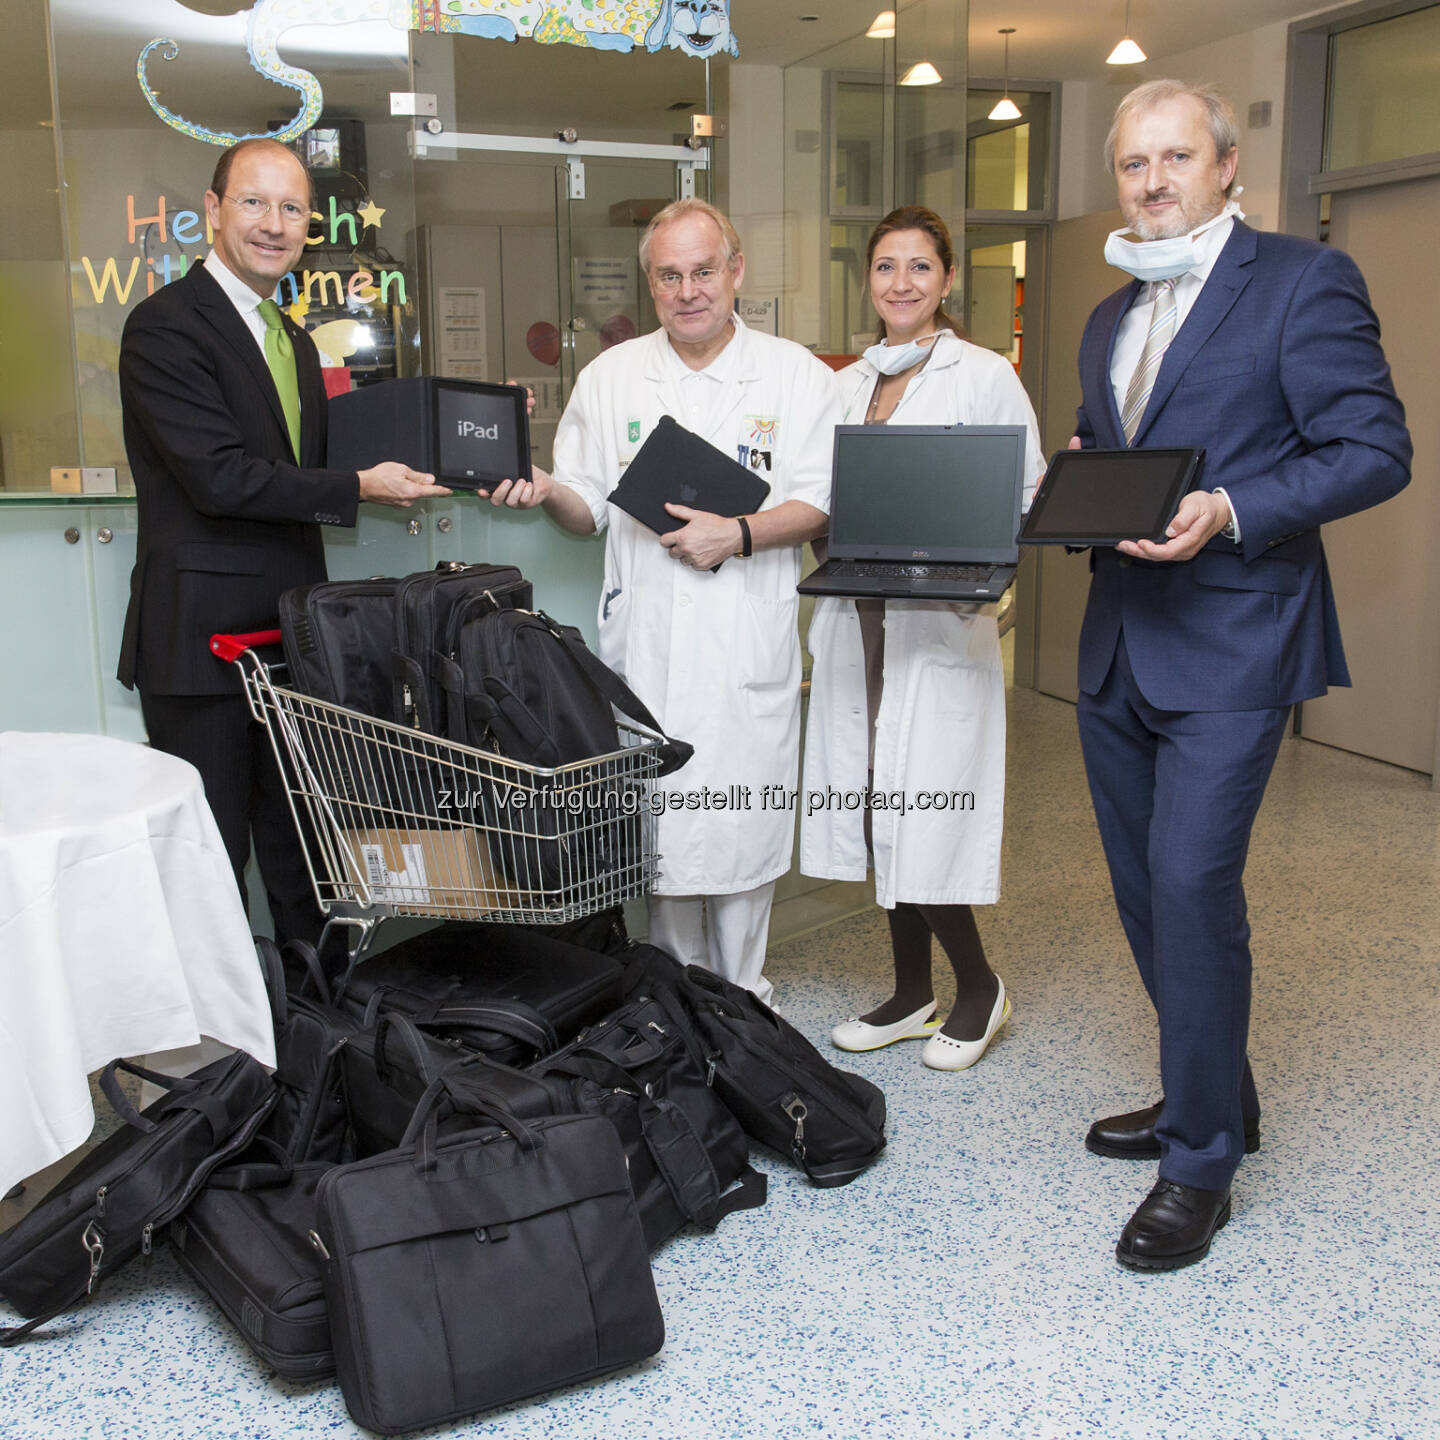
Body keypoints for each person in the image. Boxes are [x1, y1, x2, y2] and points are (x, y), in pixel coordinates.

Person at [1072, 80, 1410, 1270]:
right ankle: (1218, 1093)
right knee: (1140, 890)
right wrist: (1081, 478)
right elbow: (1112, 451)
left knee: (1191, 886)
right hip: (1120, 639)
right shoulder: (1109, 316)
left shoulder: (1303, 283)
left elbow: (1374, 450)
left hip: (1234, 637)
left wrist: (1232, 507)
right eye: (1132, 165)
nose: (1153, 181)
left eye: (1175, 158)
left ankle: (1201, 1157)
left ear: (1227, 168)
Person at [486, 199, 840, 1006]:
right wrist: (547, 490)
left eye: (703, 271)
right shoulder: (612, 377)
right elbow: (588, 510)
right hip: (646, 644)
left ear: (736, 270)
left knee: (742, 825)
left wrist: (740, 533)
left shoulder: (795, 377)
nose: (688, 291)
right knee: (663, 832)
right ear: (651, 283)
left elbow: (822, 502)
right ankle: (675, 1002)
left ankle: (744, 1000)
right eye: (669, 275)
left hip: (743, 639)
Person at [118, 137, 449, 946]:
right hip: (203, 647)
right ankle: (214, 1060)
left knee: (303, 862)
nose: (275, 223)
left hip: (292, 640)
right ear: (215, 209)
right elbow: (220, 478)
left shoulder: (294, 338)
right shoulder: (165, 326)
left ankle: (313, 1042)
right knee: (211, 864)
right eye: (255, 202)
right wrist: (360, 485)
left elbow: (321, 460)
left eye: (293, 208)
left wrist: (466, 445)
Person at [798, 206, 1045, 1071]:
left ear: (945, 281)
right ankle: (911, 993)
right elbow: (813, 488)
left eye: (919, 267)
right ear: (868, 281)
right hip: (858, 613)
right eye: (885, 268)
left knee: (921, 804)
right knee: (875, 803)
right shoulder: (846, 381)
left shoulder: (982, 374)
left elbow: (1025, 494)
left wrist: (968, 567)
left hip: (935, 619)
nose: (901, 283)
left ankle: (977, 987)